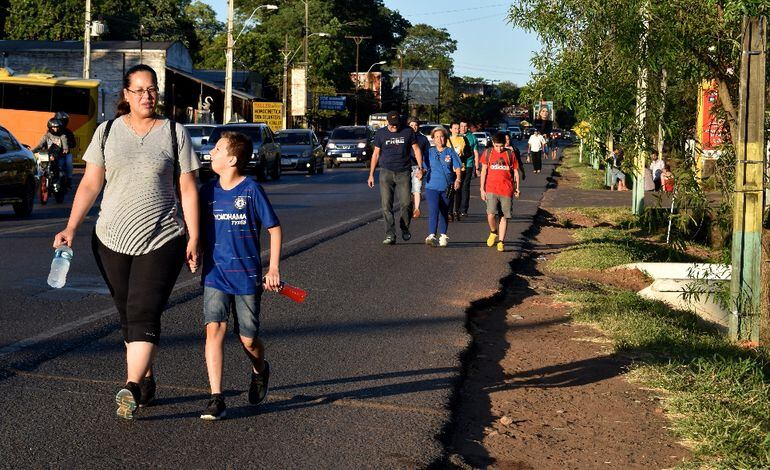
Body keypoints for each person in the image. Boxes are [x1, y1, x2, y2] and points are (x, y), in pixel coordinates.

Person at [52, 64, 201, 420]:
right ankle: (145, 376)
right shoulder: (105, 133)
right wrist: (71, 227)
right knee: (126, 313)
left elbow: (188, 189)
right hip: (110, 239)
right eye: (139, 90)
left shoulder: (174, 133)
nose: (147, 96)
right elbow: (90, 184)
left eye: (152, 90)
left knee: (144, 310)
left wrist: (194, 236)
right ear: (126, 95)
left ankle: (131, 386)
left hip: (162, 237)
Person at [198, 131, 282, 420]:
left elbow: (274, 228)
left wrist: (273, 268)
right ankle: (216, 397)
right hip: (215, 273)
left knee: (248, 339)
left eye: (218, 149)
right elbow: (194, 222)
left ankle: (260, 370)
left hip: (246, 276)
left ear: (232, 159)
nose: (211, 153)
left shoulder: (251, 190)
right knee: (214, 329)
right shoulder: (206, 191)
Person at [368, 110, 424, 244]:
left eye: (396, 124)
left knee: (406, 203)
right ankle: (390, 234)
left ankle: (404, 227)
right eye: (392, 124)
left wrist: (420, 168)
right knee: (386, 205)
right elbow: (375, 154)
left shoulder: (408, 131)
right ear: (387, 122)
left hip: (404, 172)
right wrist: (371, 175)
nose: (394, 127)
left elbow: (416, 149)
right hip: (386, 172)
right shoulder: (381, 133)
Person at [480, 132, 520, 252]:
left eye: (501, 146)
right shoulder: (488, 153)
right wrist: (482, 189)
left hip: (506, 189)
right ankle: (493, 231)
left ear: (505, 143)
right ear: (493, 143)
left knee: (504, 216)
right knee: (490, 214)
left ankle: (501, 241)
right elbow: (483, 171)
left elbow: (516, 172)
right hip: (491, 189)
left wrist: (517, 188)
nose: (499, 148)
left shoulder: (510, 154)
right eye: (497, 146)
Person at [422, 126, 461, 247]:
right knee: (433, 209)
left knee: (444, 211)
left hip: (447, 187)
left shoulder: (450, 151)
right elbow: (424, 167)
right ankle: (431, 235)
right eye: (437, 137)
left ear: (445, 138)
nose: (439, 139)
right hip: (431, 186)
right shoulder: (429, 152)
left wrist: (458, 179)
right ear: (433, 139)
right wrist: (420, 172)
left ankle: (443, 235)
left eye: (442, 136)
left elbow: (458, 167)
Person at [32, 117, 69, 185]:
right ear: (50, 127)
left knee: (61, 166)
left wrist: (65, 149)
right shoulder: (47, 135)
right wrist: (32, 151)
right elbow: (40, 145)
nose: (55, 129)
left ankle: (59, 182)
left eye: (57, 127)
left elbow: (65, 145)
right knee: (39, 165)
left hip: (58, 156)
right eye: (53, 127)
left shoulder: (62, 136)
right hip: (48, 155)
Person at [447, 122, 471, 221]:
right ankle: (449, 212)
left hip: (460, 168)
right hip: (449, 168)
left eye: (458, 128)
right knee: (450, 190)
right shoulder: (447, 140)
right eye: (455, 128)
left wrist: (461, 156)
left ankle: (456, 211)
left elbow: (469, 152)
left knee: (458, 190)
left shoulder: (463, 139)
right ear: (450, 129)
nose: (457, 130)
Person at [408, 117, 430, 218]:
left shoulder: (423, 139)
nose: (414, 127)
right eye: (411, 125)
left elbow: (427, 155)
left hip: (417, 167)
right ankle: (409, 208)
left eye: (416, 125)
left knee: (417, 189)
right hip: (405, 167)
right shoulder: (404, 137)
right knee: (407, 191)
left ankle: (417, 209)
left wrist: (424, 169)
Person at [458, 120, 480, 218]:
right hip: (457, 165)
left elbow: (475, 153)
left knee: (465, 186)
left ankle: (464, 209)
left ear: (468, 127)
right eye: (461, 126)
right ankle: (455, 209)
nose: (463, 128)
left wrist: (477, 167)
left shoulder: (472, 137)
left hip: (468, 164)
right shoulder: (455, 136)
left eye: (465, 126)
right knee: (457, 186)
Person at [55, 111, 76, 186]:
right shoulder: (52, 130)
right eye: (61, 121)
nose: (62, 123)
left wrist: (68, 144)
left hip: (65, 154)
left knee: (69, 162)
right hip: (54, 154)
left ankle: (69, 179)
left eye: (64, 121)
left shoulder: (68, 132)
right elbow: (45, 140)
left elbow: (74, 144)